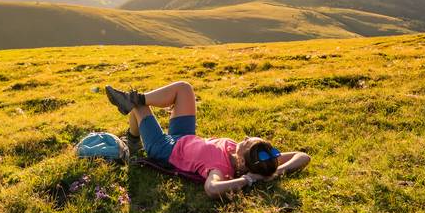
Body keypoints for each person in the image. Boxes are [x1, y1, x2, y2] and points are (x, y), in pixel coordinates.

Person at [105, 81, 310, 199]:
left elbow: (212, 188)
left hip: (164, 149)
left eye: (246, 141)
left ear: (241, 161)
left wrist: (249, 180)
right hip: (184, 136)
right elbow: (303, 156)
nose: (245, 137)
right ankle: (134, 98)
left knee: (140, 109)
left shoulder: (219, 168)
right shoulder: (258, 159)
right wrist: (275, 172)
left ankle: (132, 137)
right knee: (184, 89)